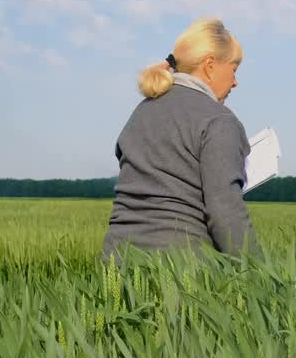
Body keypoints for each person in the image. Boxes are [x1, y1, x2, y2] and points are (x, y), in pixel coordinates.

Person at [101, 17, 262, 263]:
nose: (235, 82)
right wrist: (262, 277)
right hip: (183, 272)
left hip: (115, 264)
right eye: (233, 70)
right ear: (210, 66)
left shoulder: (141, 112)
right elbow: (225, 213)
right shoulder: (219, 120)